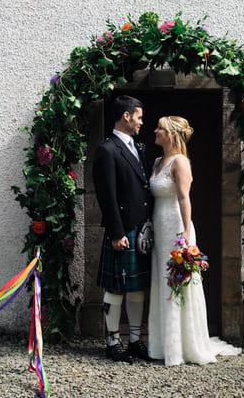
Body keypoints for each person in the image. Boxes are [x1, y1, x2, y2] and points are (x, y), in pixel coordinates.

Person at [147, 115, 241, 366]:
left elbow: (183, 198)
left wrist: (186, 233)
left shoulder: (180, 162)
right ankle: (161, 344)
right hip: (159, 225)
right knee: (161, 280)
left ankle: (182, 346)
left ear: (172, 135)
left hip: (176, 226)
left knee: (178, 282)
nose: (155, 130)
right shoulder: (157, 161)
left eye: (160, 128)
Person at [92, 95, 152, 363]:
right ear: (126, 116)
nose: (142, 122)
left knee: (137, 288)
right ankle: (113, 341)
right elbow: (107, 196)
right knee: (116, 288)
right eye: (138, 116)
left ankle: (136, 340)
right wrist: (116, 233)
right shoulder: (107, 150)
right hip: (123, 229)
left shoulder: (135, 147)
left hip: (140, 229)